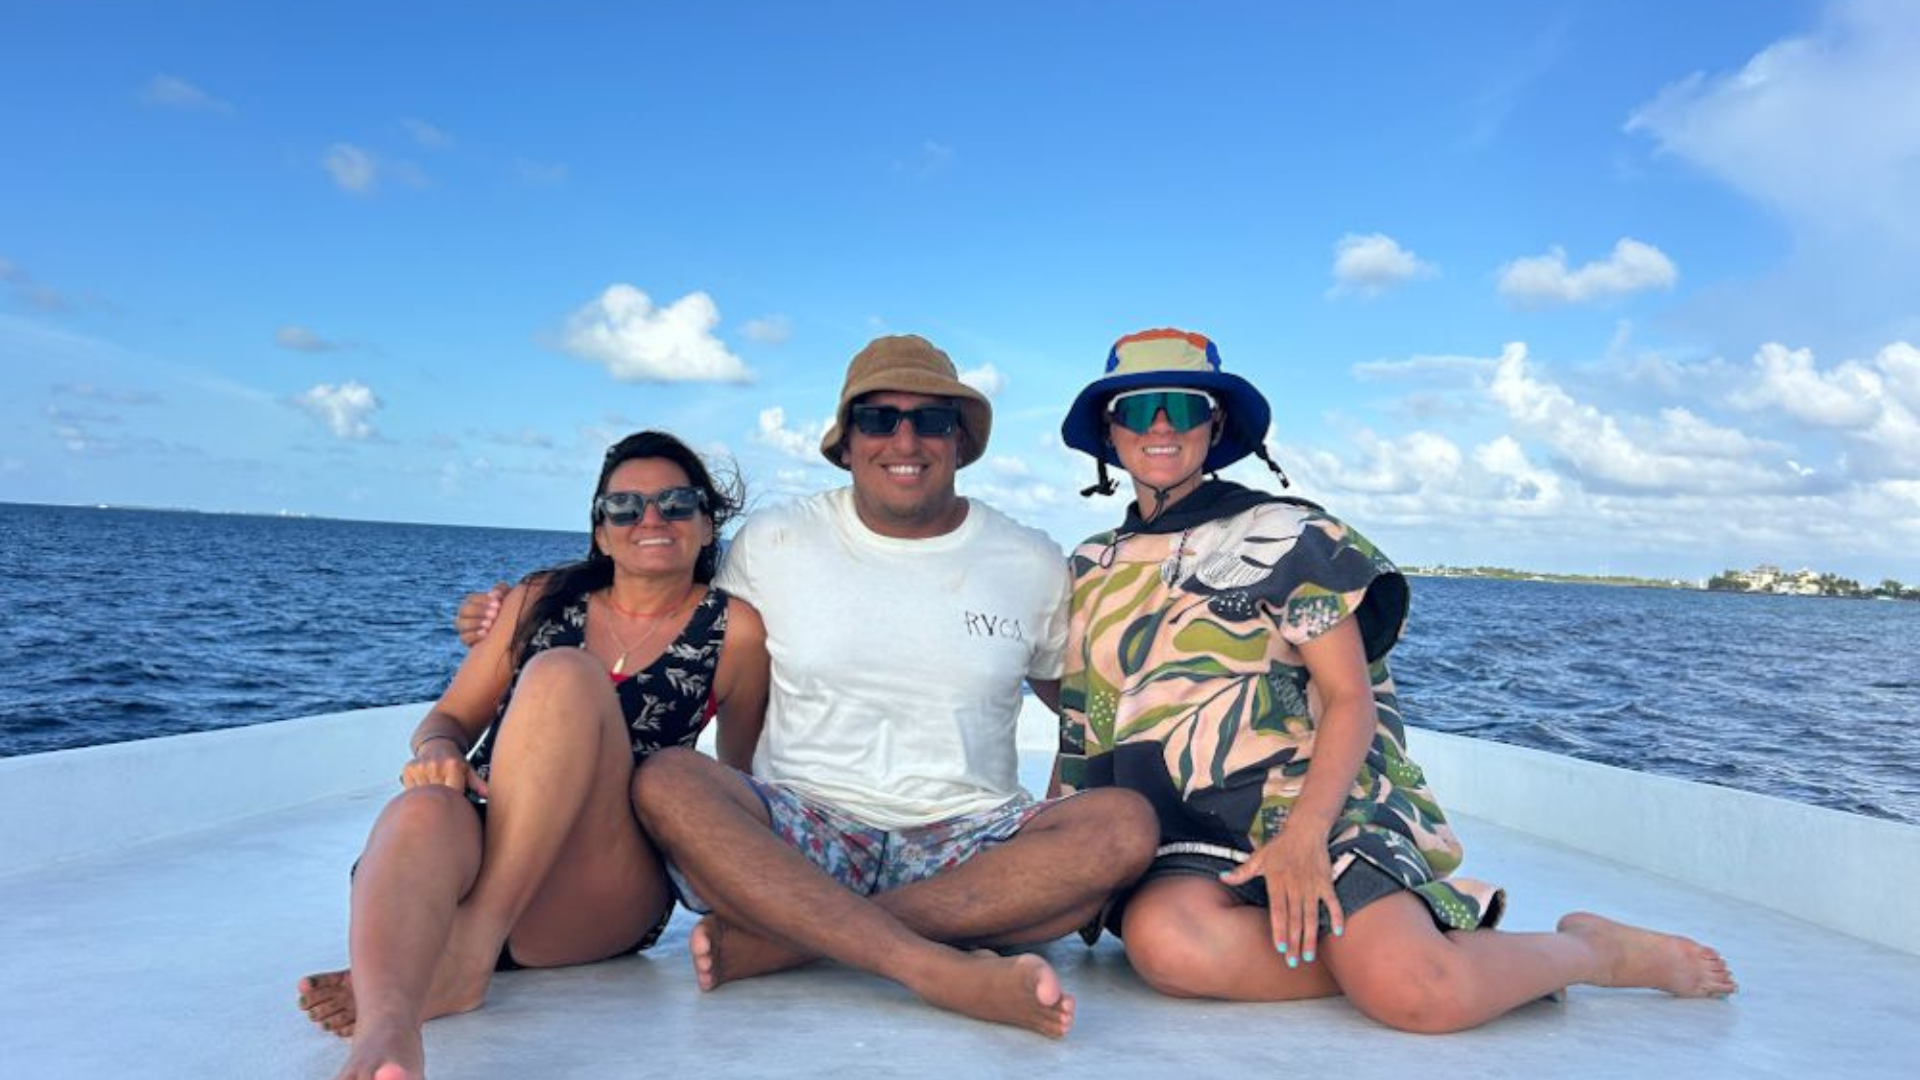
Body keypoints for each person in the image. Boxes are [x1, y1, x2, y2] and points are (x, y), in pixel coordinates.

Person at [460, 335, 1157, 1038]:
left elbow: (1079, 707)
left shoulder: (1029, 559)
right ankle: (934, 968)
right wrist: (509, 616)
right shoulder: (775, 542)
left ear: (959, 441)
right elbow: (665, 603)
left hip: (968, 836)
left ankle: (795, 939)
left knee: (1123, 826)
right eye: (878, 419)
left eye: (931, 420)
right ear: (847, 443)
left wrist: (1073, 794)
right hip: (804, 829)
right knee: (669, 779)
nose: (904, 440)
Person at [1054, 328, 1737, 1032]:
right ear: (1110, 431)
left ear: (1215, 423)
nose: (1159, 427)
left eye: (1181, 406)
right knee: (1167, 950)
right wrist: (1058, 850)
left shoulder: (1291, 537)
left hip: (1310, 808)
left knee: (1419, 998)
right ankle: (1393, 955)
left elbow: (1349, 696)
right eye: (1136, 410)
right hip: (1178, 836)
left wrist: (1305, 836)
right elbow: (1084, 719)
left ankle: (1588, 950)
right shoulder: (1090, 565)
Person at [298, 430, 769, 1080]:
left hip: (601, 887)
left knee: (564, 675)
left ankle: (467, 951)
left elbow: (738, 780)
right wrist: (437, 752)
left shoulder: (734, 631)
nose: (650, 519)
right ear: (601, 532)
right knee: (422, 810)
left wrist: (755, 913)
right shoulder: (539, 600)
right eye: (624, 507)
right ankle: (388, 1032)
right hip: (475, 857)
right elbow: (449, 719)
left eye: (676, 503)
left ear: (707, 523)